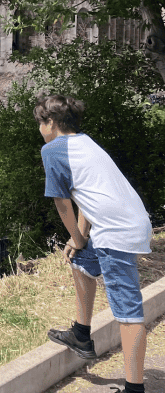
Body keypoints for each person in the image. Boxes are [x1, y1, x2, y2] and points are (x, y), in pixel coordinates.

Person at [38, 94, 151, 393]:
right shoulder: (85, 142)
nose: (39, 129)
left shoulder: (53, 150)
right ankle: (81, 334)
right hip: (126, 223)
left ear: (50, 122)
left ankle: (134, 388)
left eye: (40, 122)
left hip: (117, 232)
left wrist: (75, 237)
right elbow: (87, 197)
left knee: (128, 314)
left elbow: (62, 204)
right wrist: (81, 239)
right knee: (81, 262)